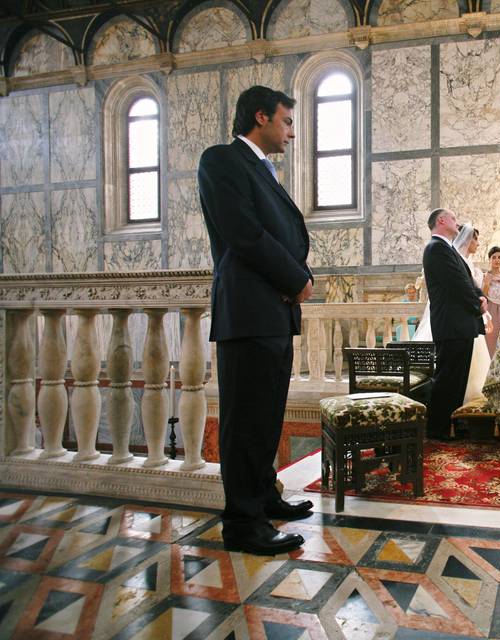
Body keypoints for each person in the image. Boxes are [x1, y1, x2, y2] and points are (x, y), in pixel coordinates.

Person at [198, 86, 313, 556]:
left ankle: (264, 496)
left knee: (266, 416)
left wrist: (293, 281)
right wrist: (297, 277)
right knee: (245, 421)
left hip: (273, 310)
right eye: (286, 121)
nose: (291, 132)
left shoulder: (263, 170)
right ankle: (243, 524)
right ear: (261, 117)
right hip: (248, 311)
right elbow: (244, 233)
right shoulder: (222, 160)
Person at [422, 208, 487, 440]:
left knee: (457, 379)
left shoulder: (447, 248)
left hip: (460, 325)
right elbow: (457, 284)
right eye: (453, 218)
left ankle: (448, 424)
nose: (456, 223)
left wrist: (481, 296)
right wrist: (476, 304)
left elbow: (466, 278)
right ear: (441, 220)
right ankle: (437, 429)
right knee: (447, 379)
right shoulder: (435, 249)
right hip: (451, 325)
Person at [453, 223, 493, 404]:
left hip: (475, 313)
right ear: (467, 240)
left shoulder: (470, 262)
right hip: (464, 316)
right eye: (475, 238)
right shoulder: (459, 260)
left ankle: (474, 393)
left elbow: (478, 290)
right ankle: (464, 397)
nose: (477, 243)